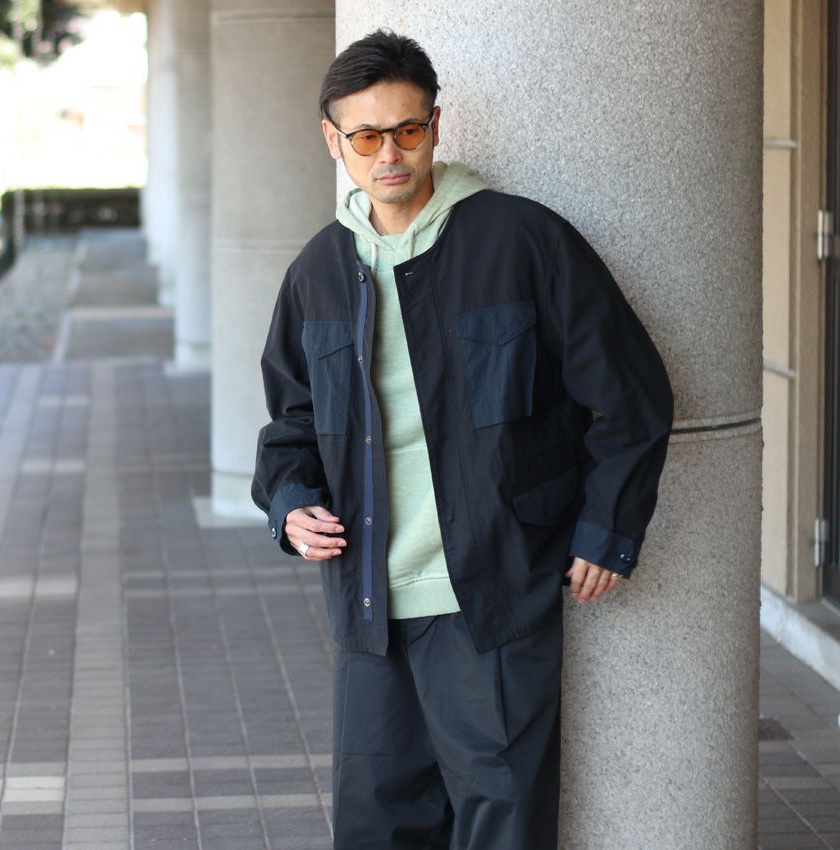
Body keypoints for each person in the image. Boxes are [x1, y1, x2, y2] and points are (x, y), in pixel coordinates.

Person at [251, 28, 674, 850]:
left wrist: (608, 528)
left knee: (502, 822)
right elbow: (291, 423)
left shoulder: (522, 241)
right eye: (366, 137)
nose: (389, 155)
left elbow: (632, 394)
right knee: (378, 823)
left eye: (407, 129)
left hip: (493, 594)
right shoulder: (318, 272)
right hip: (369, 602)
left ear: (435, 126)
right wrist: (291, 504)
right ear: (333, 141)